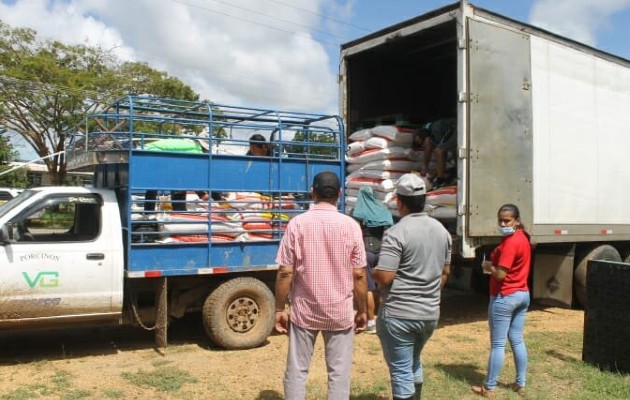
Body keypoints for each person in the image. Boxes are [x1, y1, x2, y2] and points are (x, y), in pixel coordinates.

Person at [274, 170, 368, 400]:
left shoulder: (297, 224)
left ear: (312, 192)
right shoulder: (351, 226)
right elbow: (358, 274)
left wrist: (278, 309)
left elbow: (286, 271)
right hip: (339, 311)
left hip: (305, 310)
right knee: (339, 373)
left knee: (297, 370)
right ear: (340, 194)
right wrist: (363, 310)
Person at [372, 173, 452, 400]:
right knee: (413, 362)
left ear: (399, 201)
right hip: (429, 314)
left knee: (400, 371)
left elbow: (385, 276)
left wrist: (373, 271)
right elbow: (445, 273)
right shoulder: (442, 231)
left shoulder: (397, 232)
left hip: (399, 314)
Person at [472, 204, 531, 398]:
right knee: (517, 339)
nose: (503, 223)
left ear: (517, 221)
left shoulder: (511, 243)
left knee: (498, 344)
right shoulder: (523, 238)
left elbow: (500, 275)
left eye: (507, 220)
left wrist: (489, 266)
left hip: (505, 296)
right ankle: (520, 383)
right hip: (522, 294)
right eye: (501, 220)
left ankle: (489, 387)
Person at [416, 118, 456, 188]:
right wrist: (435, 173)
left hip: (455, 127)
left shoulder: (431, 132)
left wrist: (425, 167)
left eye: (419, 142)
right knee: (441, 151)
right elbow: (443, 155)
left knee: (439, 150)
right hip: (454, 129)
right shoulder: (430, 132)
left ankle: (440, 181)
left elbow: (437, 150)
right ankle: (450, 175)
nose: (421, 145)